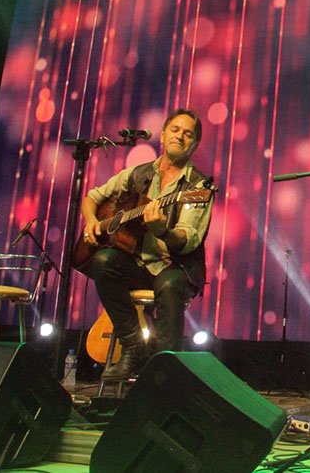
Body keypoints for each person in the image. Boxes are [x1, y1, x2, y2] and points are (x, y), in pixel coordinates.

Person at [79, 108, 213, 380]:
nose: (180, 136)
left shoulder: (198, 188)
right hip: (138, 264)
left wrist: (162, 230)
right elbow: (93, 197)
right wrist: (92, 221)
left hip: (176, 267)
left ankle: (163, 372)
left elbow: (187, 239)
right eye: (175, 130)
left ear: (195, 144)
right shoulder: (138, 173)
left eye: (188, 134)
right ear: (162, 135)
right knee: (103, 260)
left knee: (170, 285)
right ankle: (133, 344)